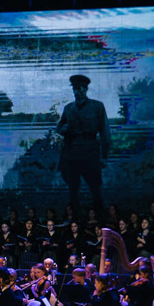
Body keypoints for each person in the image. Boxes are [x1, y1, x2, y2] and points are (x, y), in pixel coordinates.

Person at [56, 74, 111, 215]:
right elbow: (59, 127)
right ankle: (74, 217)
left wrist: (104, 156)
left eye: (79, 88)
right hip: (72, 154)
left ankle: (99, 216)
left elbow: (105, 131)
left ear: (85, 89)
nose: (76, 92)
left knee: (95, 187)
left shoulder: (97, 107)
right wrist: (64, 129)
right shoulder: (68, 108)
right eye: (74, 89)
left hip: (90, 153)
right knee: (73, 188)